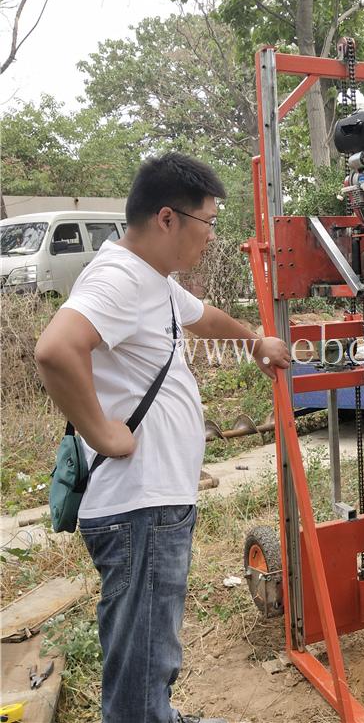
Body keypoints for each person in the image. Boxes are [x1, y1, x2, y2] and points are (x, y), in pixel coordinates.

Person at [35, 152, 291, 723]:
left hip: (156, 504)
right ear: (169, 218)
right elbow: (55, 349)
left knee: (151, 652)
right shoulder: (120, 279)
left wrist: (254, 340)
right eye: (207, 224)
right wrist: (105, 435)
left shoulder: (153, 280)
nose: (210, 238)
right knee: (143, 659)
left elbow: (202, 317)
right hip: (139, 507)